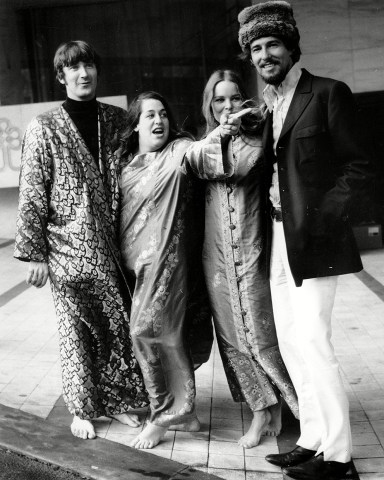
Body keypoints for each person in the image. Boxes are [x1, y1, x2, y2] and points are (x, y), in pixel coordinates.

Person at [237, 2, 371, 479]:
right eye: (255, 48)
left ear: (292, 47)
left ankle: (338, 458)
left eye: (272, 44)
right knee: (292, 342)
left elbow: (359, 168)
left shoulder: (328, 93)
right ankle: (312, 438)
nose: (264, 54)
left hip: (313, 240)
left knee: (314, 341)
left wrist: (318, 221)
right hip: (274, 237)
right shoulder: (266, 107)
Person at [14, 40, 148, 440]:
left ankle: (121, 401)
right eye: (73, 68)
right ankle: (82, 409)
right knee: (75, 330)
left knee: (117, 326)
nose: (83, 73)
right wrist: (34, 254)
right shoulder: (44, 127)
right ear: (61, 76)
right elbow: (32, 191)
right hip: (66, 249)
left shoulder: (118, 120)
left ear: (96, 71)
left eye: (88, 65)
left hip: (113, 246)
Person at [118, 91, 240, 449]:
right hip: (136, 268)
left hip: (168, 264)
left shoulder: (180, 149)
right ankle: (186, 415)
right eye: (149, 116)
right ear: (136, 125)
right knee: (161, 333)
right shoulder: (126, 166)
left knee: (146, 330)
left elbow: (203, 151)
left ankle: (165, 416)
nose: (159, 121)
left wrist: (223, 131)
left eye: (163, 114)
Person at [201, 69, 298, 448]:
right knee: (231, 336)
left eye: (233, 97)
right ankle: (261, 409)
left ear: (244, 99)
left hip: (254, 247)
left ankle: (292, 405)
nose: (227, 106)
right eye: (219, 99)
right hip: (216, 257)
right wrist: (215, 139)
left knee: (261, 331)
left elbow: (251, 168)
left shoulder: (259, 136)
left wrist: (244, 130)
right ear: (209, 104)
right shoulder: (202, 143)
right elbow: (193, 165)